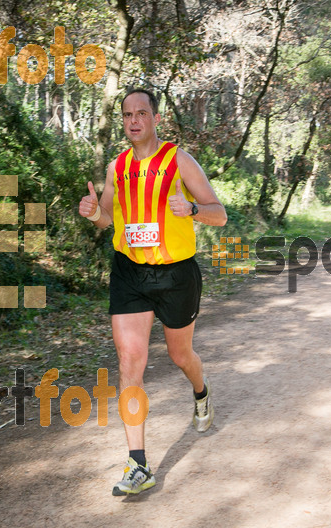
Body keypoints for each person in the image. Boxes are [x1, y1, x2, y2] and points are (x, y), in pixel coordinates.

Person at [78, 88, 227, 496]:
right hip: (130, 274)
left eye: (141, 113)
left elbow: (220, 213)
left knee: (181, 355)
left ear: (156, 118)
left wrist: (193, 210)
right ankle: (138, 464)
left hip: (176, 275)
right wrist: (94, 214)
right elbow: (107, 219)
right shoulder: (117, 167)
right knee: (130, 360)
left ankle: (201, 391)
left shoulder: (178, 161)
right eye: (127, 114)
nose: (133, 121)